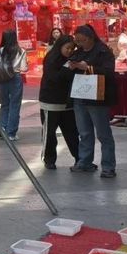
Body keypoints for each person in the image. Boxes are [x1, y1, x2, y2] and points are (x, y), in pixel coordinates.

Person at [68, 24, 119, 178]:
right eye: (77, 41)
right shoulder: (78, 52)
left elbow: (109, 72)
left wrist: (89, 68)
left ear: (91, 38)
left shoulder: (103, 51)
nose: (80, 44)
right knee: (84, 132)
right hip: (80, 96)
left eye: (82, 40)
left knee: (103, 134)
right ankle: (85, 162)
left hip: (98, 98)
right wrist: (72, 65)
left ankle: (108, 167)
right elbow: (69, 64)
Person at [38, 36, 80, 170]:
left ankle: (80, 158)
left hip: (67, 103)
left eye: (72, 48)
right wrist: (67, 68)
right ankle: (49, 159)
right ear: (60, 46)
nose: (70, 51)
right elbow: (54, 78)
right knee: (50, 133)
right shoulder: (51, 59)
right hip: (50, 102)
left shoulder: (72, 60)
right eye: (67, 48)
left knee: (72, 132)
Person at [0, 30, 28, 141]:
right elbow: (23, 68)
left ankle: (2, 130)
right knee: (15, 105)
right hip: (15, 78)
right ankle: (11, 133)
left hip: (2, 78)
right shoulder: (21, 51)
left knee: (4, 104)